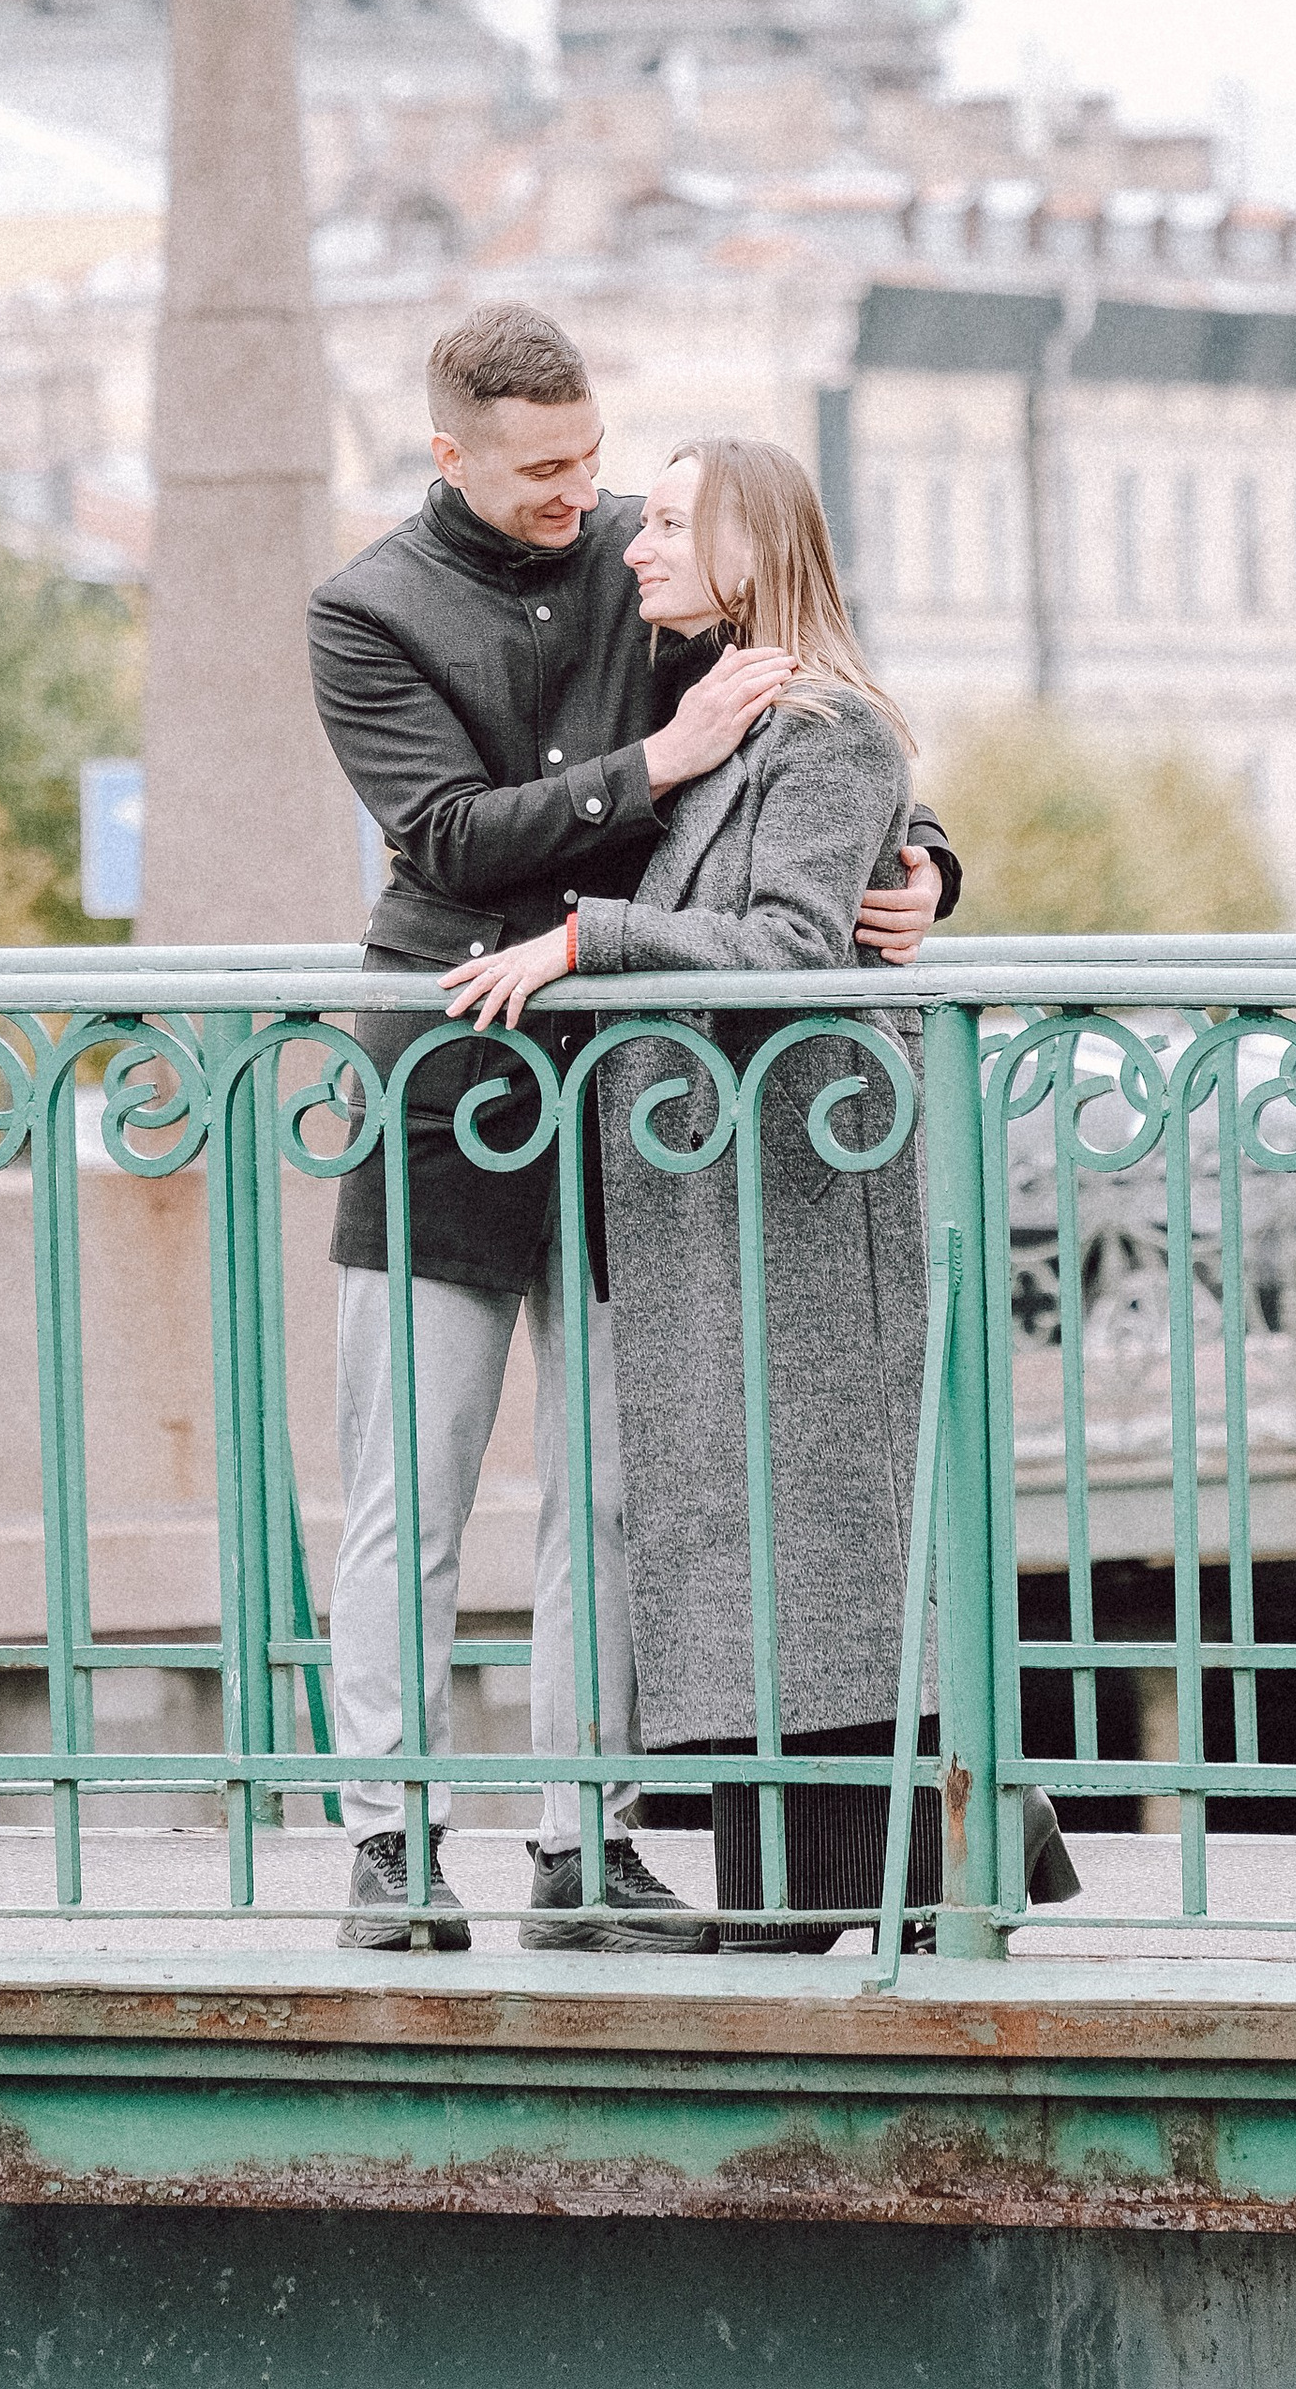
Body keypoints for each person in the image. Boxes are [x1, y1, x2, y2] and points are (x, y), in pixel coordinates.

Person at [306, 307, 960, 1953]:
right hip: (448, 1077)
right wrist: (654, 763)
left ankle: (581, 1847)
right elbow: (447, 838)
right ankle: (389, 1848)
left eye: (594, 462)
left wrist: (930, 864)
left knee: (606, 1494)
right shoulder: (364, 611)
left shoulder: (643, 557)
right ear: (449, 450)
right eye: (542, 471)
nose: (580, 495)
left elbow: (812, 711)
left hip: (629, 1107)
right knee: (416, 1486)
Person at [448, 436, 1075, 1946]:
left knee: (820, 1543)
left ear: (751, 547)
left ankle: (865, 1880)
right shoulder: (718, 710)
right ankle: (877, 1874)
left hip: (795, 1197)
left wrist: (596, 942)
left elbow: (795, 941)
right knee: (762, 1545)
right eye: (639, 521)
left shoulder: (824, 729)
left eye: (668, 524)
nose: (635, 549)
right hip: (714, 1205)